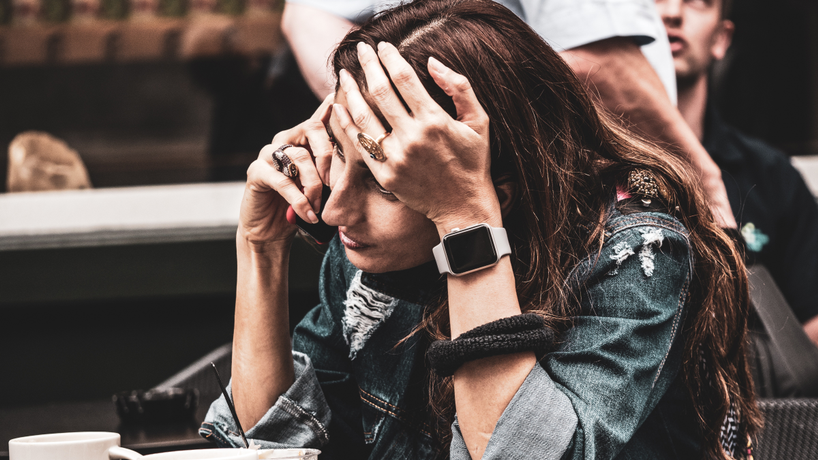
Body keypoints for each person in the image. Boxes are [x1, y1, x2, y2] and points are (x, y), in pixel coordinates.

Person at [200, 1, 760, 458]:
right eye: (340, 160)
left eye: (387, 183)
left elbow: (520, 455)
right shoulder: (368, 258)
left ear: (497, 193)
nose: (336, 211)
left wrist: (465, 221)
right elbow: (272, 447)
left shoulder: (633, 254)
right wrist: (261, 249)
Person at [281, 0, 738, 229]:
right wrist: (706, 187)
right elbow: (604, 66)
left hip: (502, 208)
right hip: (557, 214)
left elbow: (304, 17)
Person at [655, 0, 818, 353]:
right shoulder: (583, 164)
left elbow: (812, 321)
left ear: (721, 39)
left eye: (697, 1)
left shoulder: (773, 177)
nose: (672, 12)